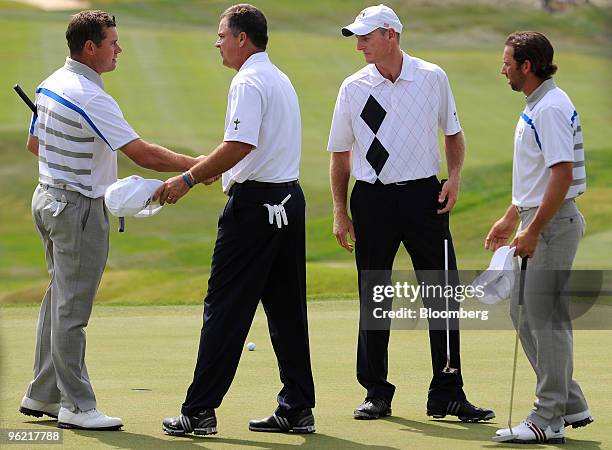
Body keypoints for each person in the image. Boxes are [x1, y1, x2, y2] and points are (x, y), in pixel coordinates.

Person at [19, 10, 201, 431]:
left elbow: (35, 144)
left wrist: (70, 165)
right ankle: (77, 406)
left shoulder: (50, 82)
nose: (119, 49)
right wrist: (203, 166)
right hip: (77, 209)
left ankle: (42, 394)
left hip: (46, 199)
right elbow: (144, 154)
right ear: (90, 48)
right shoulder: (91, 96)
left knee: (58, 299)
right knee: (71, 311)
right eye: (112, 42)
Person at [328, 4, 494, 421]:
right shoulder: (353, 87)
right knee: (375, 296)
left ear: (391, 35)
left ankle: (448, 392)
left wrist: (453, 179)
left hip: (425, 197)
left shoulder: (432, 77)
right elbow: (339, 154)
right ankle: (376, 392)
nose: (360, 43)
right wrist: (339, 210)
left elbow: (453, 135)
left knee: (442, 294)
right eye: (357, 37)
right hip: (372, 199)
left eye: (367, 35)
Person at [159, 4, 316, 436]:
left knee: (225, 308)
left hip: (255, 211)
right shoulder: (278, 77)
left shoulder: (247, 81)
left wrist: (190, 178)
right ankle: (298, 406)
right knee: (286, 309)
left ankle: (199, 411)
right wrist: (215, 170)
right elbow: (249, 150)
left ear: (242, 38)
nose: (217, 42)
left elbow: (240, 144)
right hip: (288, 200)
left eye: (222, 35)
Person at [488, 31, 592, 444]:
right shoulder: (540, 103)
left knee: (546, 320)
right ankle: (570, 402)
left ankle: (547, 418)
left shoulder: (548, 108)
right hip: (539, 219)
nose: (503, 69)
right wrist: (513, 216)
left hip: (551, 225)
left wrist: (532, 229)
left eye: (508, 62)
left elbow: (561, 175)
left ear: (526, 66)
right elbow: (539, 174)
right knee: (523, 312)